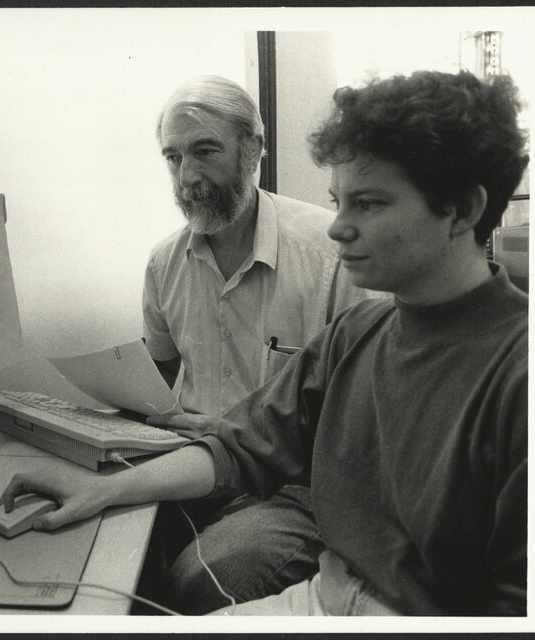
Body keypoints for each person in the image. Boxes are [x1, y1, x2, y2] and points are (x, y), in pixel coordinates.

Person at [0, 69, 529, 616]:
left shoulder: (529, 374)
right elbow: (242, 443)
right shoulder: (357, 337)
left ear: (463, 209)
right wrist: (99, 488)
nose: (338, 227)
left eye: (367, 204)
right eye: (337, 202)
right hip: (333, 590)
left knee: (197, 578)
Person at [141, 75, 374, 613]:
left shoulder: (332, 255)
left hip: (295, 483)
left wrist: (232, 433)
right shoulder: (162, 262)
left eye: (205, 151)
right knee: (112, 540)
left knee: (201, 576)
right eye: (173, 158)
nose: (188, 177)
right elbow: (151, 382)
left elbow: (361, 423)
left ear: (254, 151)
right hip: (198, 460)